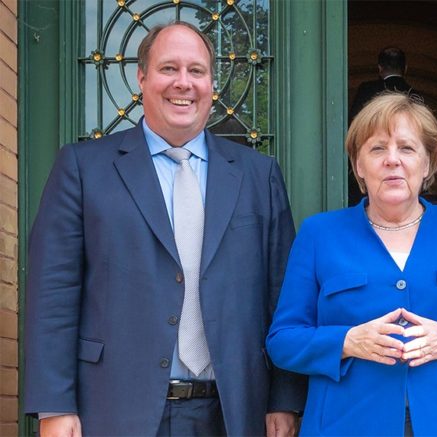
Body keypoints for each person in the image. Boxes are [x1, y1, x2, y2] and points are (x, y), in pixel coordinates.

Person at [24, 22, 306, 436]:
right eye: (168, 68)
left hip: (234, 412)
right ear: (142, 77)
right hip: (114, 409)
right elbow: (53, 294)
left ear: (212, 82)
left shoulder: (258, 174)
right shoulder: (83, 168)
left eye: (196, 71)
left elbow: (283, 295)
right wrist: (53, 405)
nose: (183, 83)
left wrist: (284, 399)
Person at [267, 93, 437, 436]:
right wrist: (347, 341)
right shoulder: (320, 233)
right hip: (345, 424)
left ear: (428, 163)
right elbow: (283, 340)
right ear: (358, 165)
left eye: (406, 148)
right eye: (377, 149)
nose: (392, 160)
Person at [349, 47, 413, 124]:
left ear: (380, 68)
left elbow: (354, 121)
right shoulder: (414, 95)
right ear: (406, 69)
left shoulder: (367, 89)